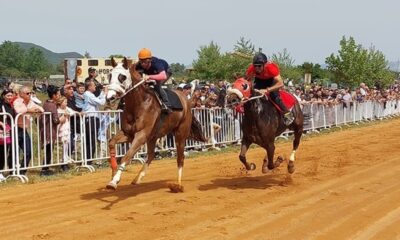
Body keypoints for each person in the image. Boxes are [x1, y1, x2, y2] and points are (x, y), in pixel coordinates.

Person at [245, 52, 294, 126]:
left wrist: (267, 90)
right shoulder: (251, 69)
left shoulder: (271, 68)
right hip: (260, 80)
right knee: (253, 95)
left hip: (272, 81)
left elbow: (281, 83)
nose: (257, 68)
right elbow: (247, 81)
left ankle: (287, 114)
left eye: (259, 66)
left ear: (265, 65)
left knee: (274, 96)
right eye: (255, 66)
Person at [13, 86, 44, 175]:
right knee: (14, 152)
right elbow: (18, 111)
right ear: (21, 94)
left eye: (30, 93)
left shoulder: (31, 102)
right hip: (15, 129)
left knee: (28, 151)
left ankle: (22, 171)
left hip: (24, 130)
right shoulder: (17, 101)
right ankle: (13, 172)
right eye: (27, 93)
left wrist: (38, 110)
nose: (30, 94)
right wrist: (29, 110)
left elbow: (41, 108)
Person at [135, 48, 173, 112]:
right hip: (153, 73)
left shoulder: (157, 63)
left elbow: (163, 76)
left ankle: (167, 104)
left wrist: (149, 77)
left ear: (149, 61)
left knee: (157, 85)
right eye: (141, 62)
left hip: (166, 72)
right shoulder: (139, 65)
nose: (143, 64)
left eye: (145, 62)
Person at [82, 80, 108, 162]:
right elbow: (101, 102)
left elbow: (97, 100)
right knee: (91, 139)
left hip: (93, 119)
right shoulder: (88, 94)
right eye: (93, 85)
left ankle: (89, 159)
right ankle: (88, 160)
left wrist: (103, 93)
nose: (95, 87)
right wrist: (105, 93)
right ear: (89, 87)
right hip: (90, 119)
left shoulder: (90, 95)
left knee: (92, 139)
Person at [39, 85, 62, 176]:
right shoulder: (52, 105)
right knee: (49, 150)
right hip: (49, 130)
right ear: (54, 95)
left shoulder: (46, 103)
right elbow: (55, 120)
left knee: (49, 149)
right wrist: (62, 119)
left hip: (46, 129)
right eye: (58, 94)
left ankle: (45, 168)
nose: (59, 96)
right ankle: (44, 169)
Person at [0, 89, 15, 180]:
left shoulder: (11, 106)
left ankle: (8, 170)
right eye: (8, 95)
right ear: (3, 96)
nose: (10, 97)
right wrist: (1, 124)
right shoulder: (1, 105)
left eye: (11, 95)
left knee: (6, 151)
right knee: (1, 152)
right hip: (1, 132)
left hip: (9, 132)